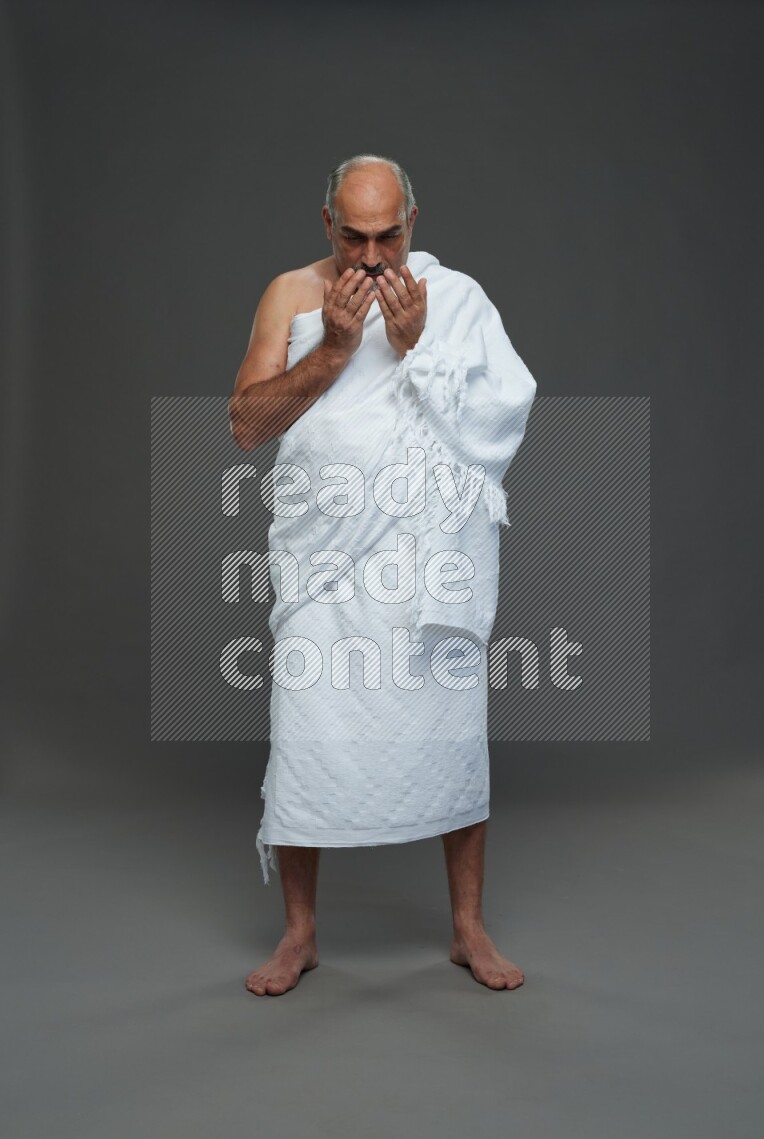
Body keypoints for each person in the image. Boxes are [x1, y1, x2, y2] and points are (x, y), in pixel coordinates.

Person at [229, 154, 536, 995]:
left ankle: (467, 928)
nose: (371, 258)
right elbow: (247, 427)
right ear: (327, 224)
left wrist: (416, 348)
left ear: (414, 221)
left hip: (427, 563)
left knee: (451, 733)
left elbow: (502, 421)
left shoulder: (457, 300)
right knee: (306, 735)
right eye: (355, 237)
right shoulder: (291, 295)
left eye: (389, 236)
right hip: (324, 562)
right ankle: (300, 934)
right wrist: (331, 351)